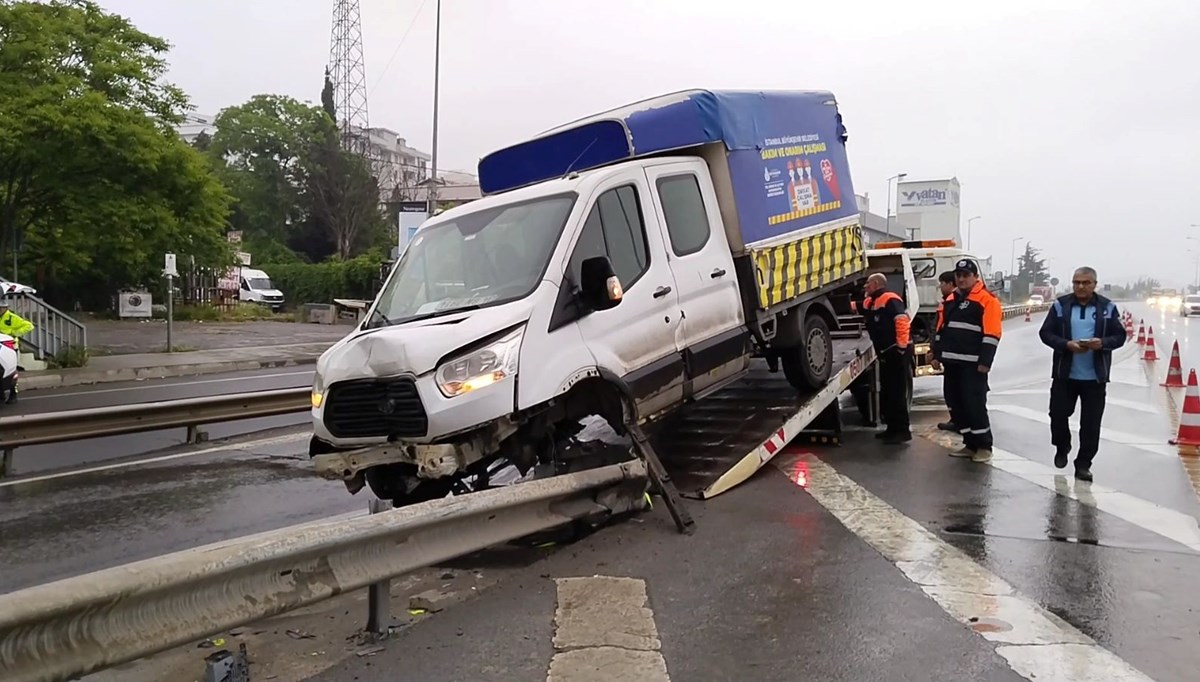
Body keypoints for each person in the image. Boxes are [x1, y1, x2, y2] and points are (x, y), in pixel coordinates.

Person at [1037, 266, 1125, 482]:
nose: (1081, 286)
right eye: (1077, 282)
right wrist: (1066, 344)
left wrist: (1102, 343)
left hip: (1095, 378)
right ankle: (1062, 445)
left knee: (1091, 424)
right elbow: (1045, 333)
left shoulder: (1107, 308)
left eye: (1086, 282)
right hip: (1065, 375)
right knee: (1057, 415)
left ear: (1095, 284)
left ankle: (1084, 464)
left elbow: (1120, 336)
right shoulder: (1060, 306)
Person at [930, 259, 1002, 462]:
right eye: (958, 275)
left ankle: (984, 446)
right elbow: (941, 329)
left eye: (965, 275)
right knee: (955, 404)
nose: (961, 279)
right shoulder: (951, 299)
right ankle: (970, 443)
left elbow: (992, 333)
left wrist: (985, 362)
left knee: (974, 405)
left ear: (975, 277)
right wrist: (936, 354)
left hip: (973, 365)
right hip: (951, 363)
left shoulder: (987, 300)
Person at [862, 272, 912, 444]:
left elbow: (901, 321)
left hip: (895, 352)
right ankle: (891, 428)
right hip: (884, 352)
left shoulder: (891, 299)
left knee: (897, 392)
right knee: (888, 391)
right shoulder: (871, 301)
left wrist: (901, 348)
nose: (865, 287)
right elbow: (859, 307)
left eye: (868, 283)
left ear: (876, 284)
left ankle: (902, 430)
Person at [933, 271, 960, 434]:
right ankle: (955, 419)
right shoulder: (946, 302)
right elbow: (937, 330)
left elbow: (944, 331)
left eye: (942, 283)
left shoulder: (953, 302)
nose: (940, 286)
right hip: (949, 354)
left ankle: (959, 421)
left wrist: (937, 353)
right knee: (950, 390)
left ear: (951, 284)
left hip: (955, 355)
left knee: (955, 390)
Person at [0, 296, 34, 404]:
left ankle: (14, 394)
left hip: (11, 348)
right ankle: (1, 395)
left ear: (5, 308)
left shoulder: (12, 318)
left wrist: (15, 333)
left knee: (12, 372)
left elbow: (29, 326)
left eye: (1, 308)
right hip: (1, 348)